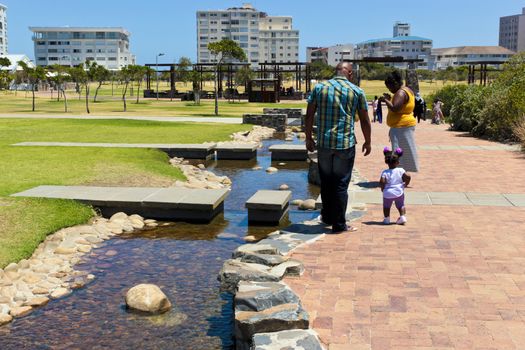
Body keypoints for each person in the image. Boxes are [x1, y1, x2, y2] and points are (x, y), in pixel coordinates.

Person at [305, 62, 372, 233]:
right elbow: (364, 119)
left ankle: (327, 216)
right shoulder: (356, 91)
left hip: (324, 143)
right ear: (349, 73)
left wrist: (308, 138)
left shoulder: (319, 88)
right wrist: (367, 141)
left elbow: (310, 114)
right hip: (344, 144)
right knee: (341, 184)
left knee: (326, 182)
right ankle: (339, 224)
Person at [379, 71, 419, 172]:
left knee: (398, 152)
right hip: (403, 126)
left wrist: (385, 100)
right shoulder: (407, 90)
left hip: (400, 127)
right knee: (405, 152)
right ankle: (403, 173)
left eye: (390, 87)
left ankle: (399, 174)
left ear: (396, 84)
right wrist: (389, 99)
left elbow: (395, 108)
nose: (390, 90)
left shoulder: (400, 92)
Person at [380, 147, 411, 225]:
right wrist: (406, 184)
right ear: (398, 162)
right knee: (401, 205)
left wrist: (382, 188)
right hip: (399, 192)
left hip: (388, 193)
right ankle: (402, 217)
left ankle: (387, 219)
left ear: (386, 162)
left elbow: (382, 181)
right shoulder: (401, 170)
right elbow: (408, 176)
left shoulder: (385, 172)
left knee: (386, 207)